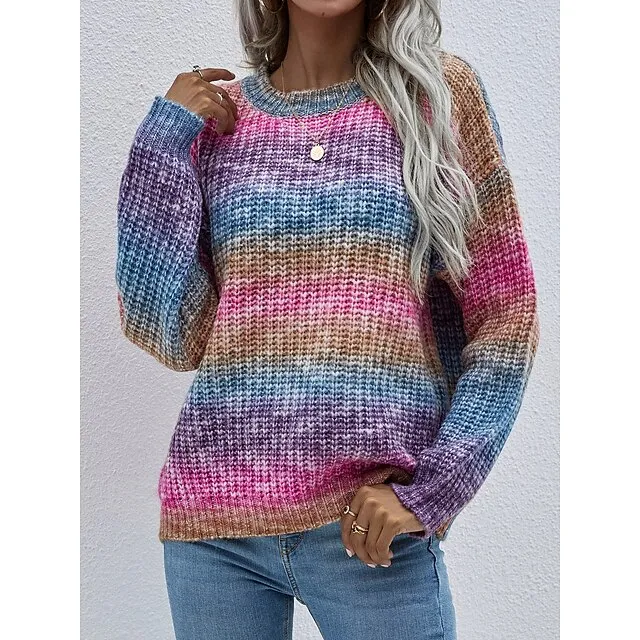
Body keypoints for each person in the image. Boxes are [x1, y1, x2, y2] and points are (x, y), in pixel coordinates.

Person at [115, 1, 540, 638]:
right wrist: (162, 144)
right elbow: (170, 330)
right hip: (216, 531)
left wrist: (433, 489)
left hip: (368, 531)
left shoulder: (435, 99)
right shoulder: (220, 124)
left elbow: (505, 318)